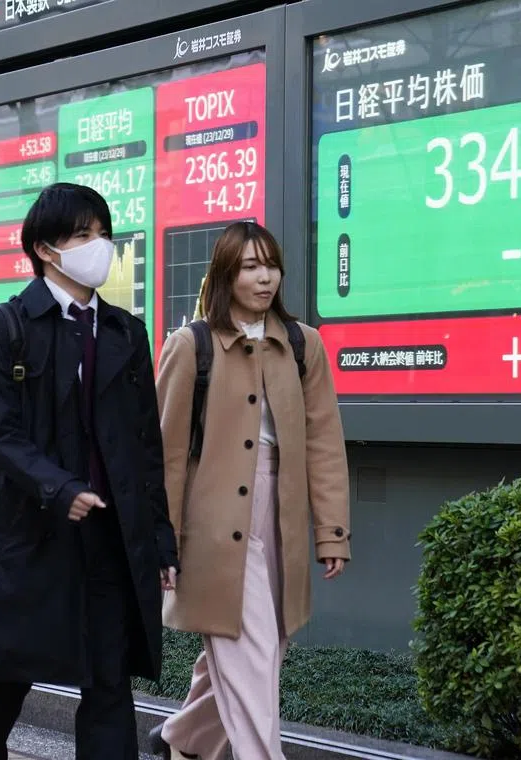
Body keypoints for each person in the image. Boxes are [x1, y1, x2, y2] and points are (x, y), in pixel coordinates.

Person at [0, 182, 179, 760]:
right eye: (83, 235)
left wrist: (159, 542)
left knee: (109, 684)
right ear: (46, 250)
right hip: (28, 537)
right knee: (3, 684)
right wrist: (60, 488)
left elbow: (143, 448)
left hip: (106, 538)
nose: (98, 246)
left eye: (103, 234)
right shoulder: (5, 327)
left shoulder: (127, 332)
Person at [149, 221, 351, 760]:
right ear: (225, 274)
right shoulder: (190, 345)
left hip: (280, 513)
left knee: (265, 646)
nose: (264, 278)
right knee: (251, 651)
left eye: (271, 265)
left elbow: (324, 444)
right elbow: (166, 454)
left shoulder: (302, 344)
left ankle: (182, 741)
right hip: (211, 523)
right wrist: (161, 537)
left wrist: (330, 532)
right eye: (249, 267)